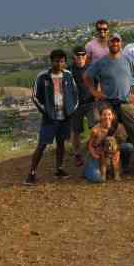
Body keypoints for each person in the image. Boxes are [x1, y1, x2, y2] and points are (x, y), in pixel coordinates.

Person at [23, 49, 79, 185]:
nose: (59, 64)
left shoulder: (68, 75)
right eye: (56, 61)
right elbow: (35, 96)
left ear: (65, 62)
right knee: (42, 144)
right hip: (50, 118)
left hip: (65, 117)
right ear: (51, 61)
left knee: (61, 144)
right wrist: (46, 112)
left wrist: (72, 109)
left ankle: (59, 169)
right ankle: (31, 173)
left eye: (61, 61)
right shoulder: (43, 76)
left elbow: (75, 93)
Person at [83, 32, 134, 146]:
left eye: (117, 41)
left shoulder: (128, 59)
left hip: (126, 102)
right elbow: (86, 77)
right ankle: (105, 155)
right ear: (108, 43)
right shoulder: (101, 62)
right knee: (106, 131)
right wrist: (94, 92)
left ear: (121, 43)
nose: (115, 43)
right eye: (112, 41)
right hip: (107, 104)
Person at [83, 106, 134, 183]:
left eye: (109, 114)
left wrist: (115, 149)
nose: (107, 117)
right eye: (104, 115)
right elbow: (89, 145)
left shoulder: (118, 126)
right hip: (98, 152)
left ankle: (123, 168)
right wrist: (95, 155)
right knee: (97, 177)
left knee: (128, 147)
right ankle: (89, 169)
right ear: (100, 116)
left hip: (114, 149)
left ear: (113, 116)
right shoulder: (95, 129)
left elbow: (122, 141)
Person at [68, 46, 98, 167]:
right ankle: (77, 154)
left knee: (95, 128)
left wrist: (97, 97)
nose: (80, 58)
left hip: (91, 103)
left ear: (86, 56)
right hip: (75, 105)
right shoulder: (69, 71)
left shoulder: (91, 69)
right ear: (74, 57)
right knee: (75, 131)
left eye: (83, 55)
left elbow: (98, 83)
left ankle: (95, 150)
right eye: (78, 55)